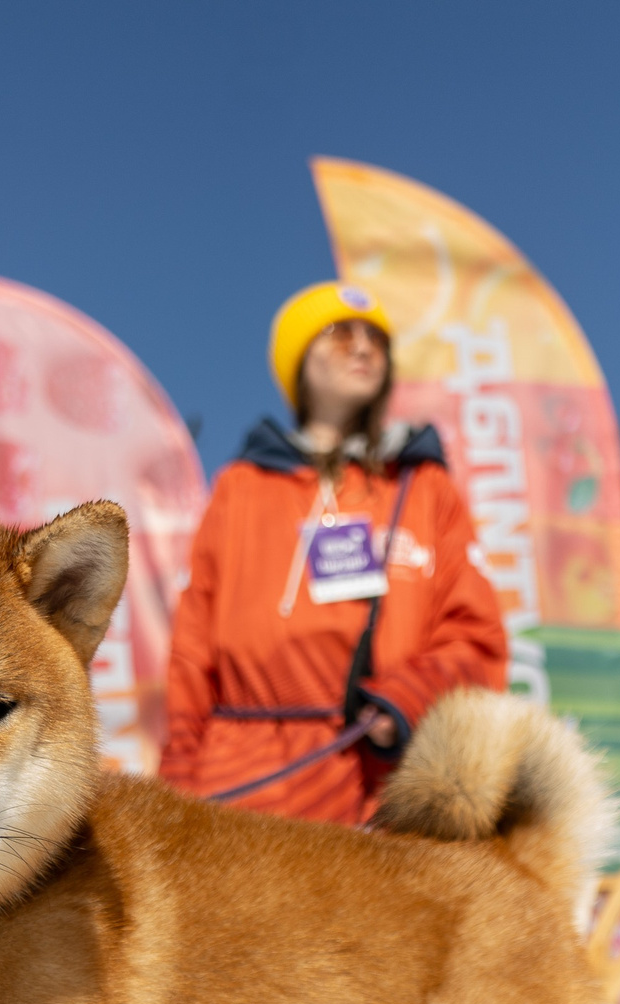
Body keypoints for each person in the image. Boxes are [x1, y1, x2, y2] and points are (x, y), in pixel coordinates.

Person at [161, 282, 508, 824]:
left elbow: (476, 637)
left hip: (375, 772)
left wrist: (408, 698)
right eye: (340, 335)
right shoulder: (239, 486)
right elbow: (192, 647)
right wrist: (178, 783)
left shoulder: (423, 487)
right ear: (299, 361)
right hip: (239, 774)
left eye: (376, 340)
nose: (364, 348)